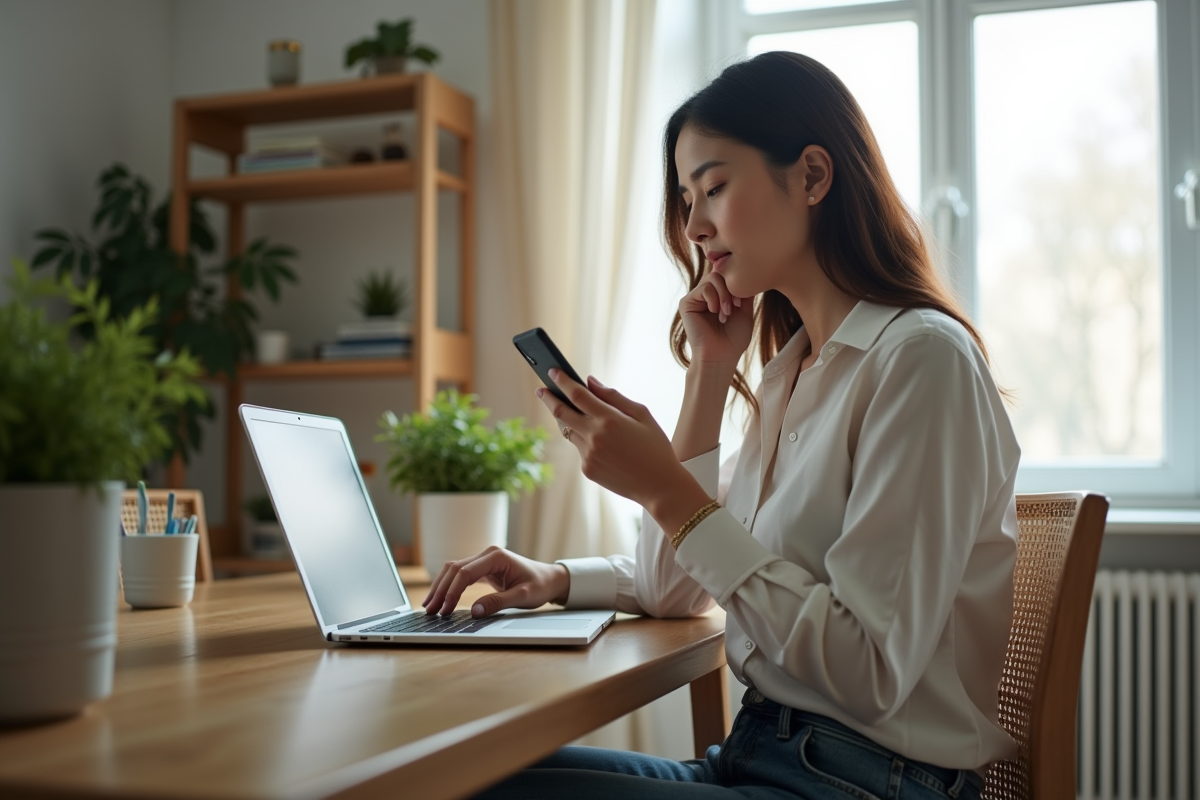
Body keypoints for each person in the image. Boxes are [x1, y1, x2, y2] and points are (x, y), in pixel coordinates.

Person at [423, 51, 1020, 800]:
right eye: (685, 198)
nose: (695, 225)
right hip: (765, 755)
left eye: (714, 187)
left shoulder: (919, 361)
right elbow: (679, 590)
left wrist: (669, 493)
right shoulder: (794, 372)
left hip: (864, 781)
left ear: (811, 176)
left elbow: (870, 671)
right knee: (469, 775)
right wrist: (707, 377)